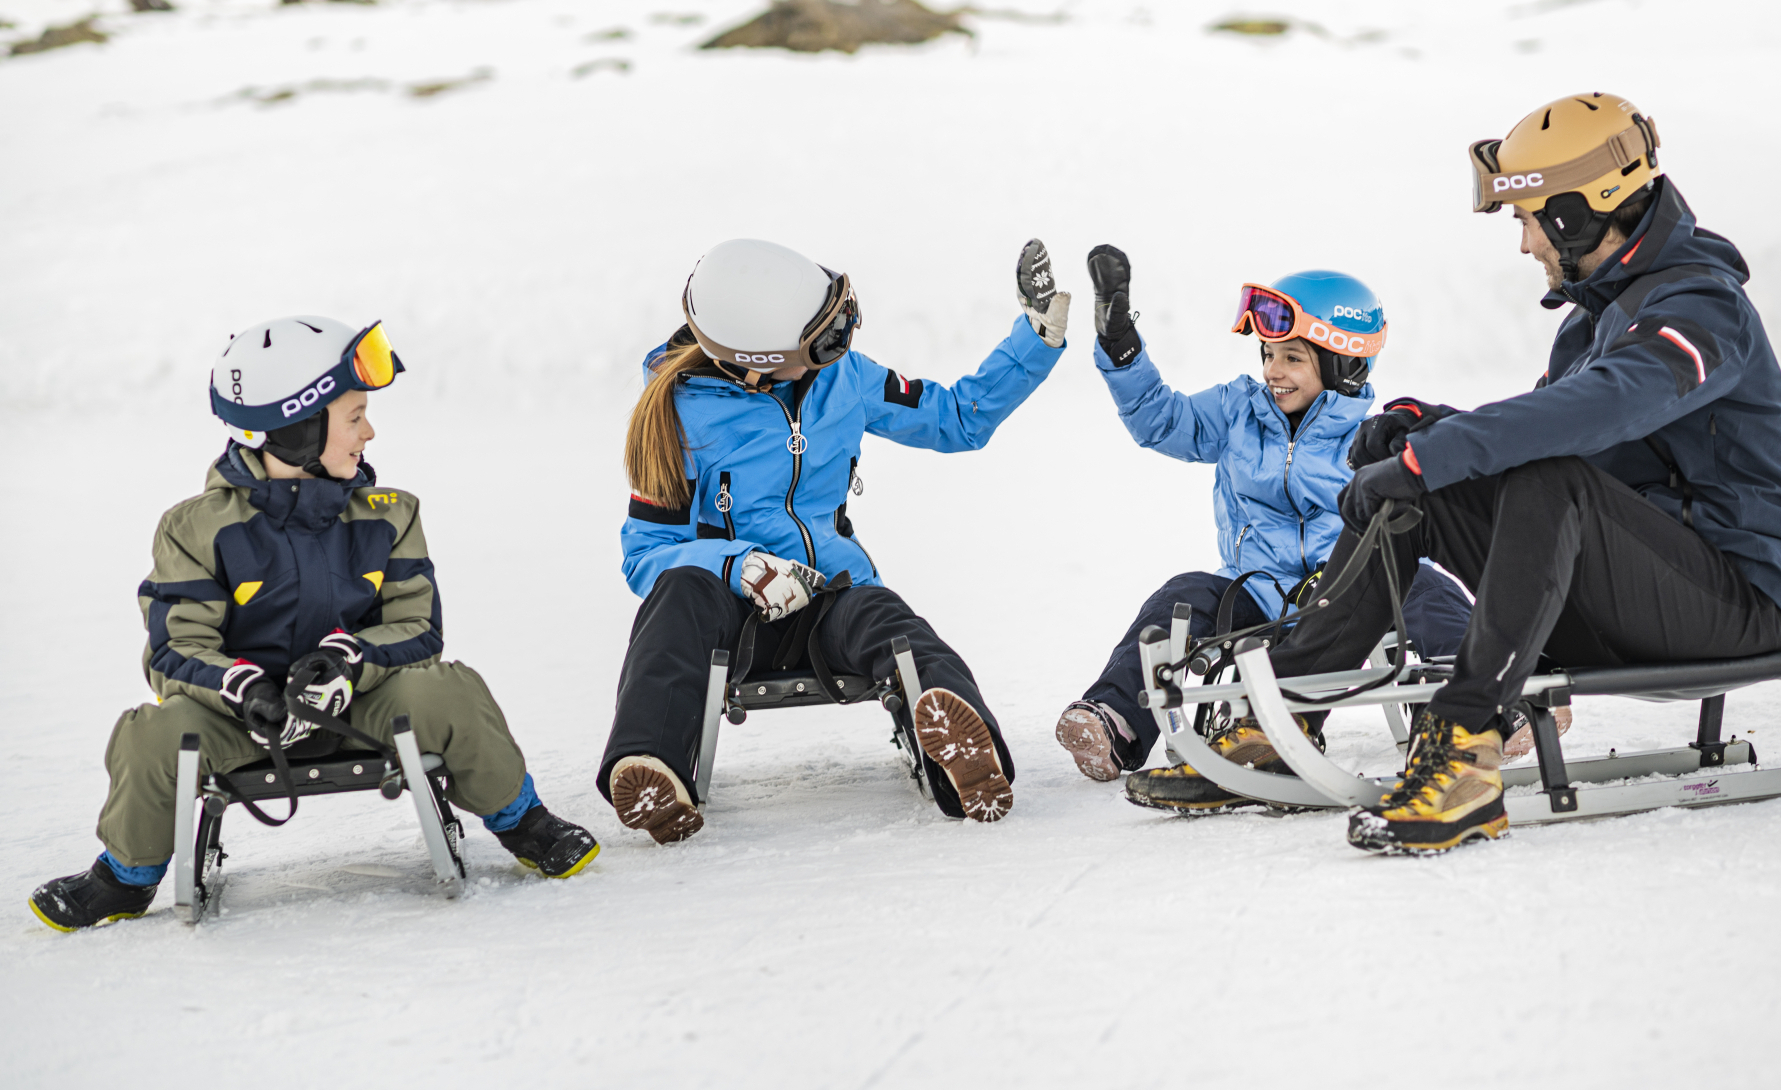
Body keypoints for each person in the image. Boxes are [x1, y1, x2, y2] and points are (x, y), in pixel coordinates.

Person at [1242, 93, 1781, 854]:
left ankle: (1468, 746)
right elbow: (1547, 427)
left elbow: (1596, 413)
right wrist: (1424, 430)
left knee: (1542, 478)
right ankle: (1284, 710)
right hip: (1627, 596)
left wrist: (1430, 455)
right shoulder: (1595, 317)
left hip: (1731, 601)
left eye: (1529, 219)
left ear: (1577, 214)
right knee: (1432, 487)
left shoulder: (1702, 307)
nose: (1525, 245)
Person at [30, 317, 600, 931]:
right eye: (353, 417)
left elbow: (418, 626)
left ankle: (523, 821)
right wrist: (243, 688)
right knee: (151, 732)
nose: (369, 431)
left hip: (362, 707)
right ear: (296, 428)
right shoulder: (194, 527)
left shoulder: (389, 514)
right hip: (243, 724)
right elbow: (175, 647)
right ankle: (123, 876)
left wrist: (349, 661)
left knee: (450, 688)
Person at [600, 238, 1070, 841]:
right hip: (726, 612)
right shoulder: (679, 415)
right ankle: (651, 765)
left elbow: (956, 418)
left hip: (828, 596)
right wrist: (740, 567)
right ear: (756, 360)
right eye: (823, 343)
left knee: (889, 619)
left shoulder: (841, 380)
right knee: (675, 600)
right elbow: (647, 555)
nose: (839, 350)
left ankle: (964, 757)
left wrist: (1037, 337)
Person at [1055, 247, 1476, 813]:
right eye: (1268, 354)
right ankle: (1116, 719)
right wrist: (1120, 345)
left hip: (1349, 587)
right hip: (1254, 586)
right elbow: (1161, 419)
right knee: (1181, 596)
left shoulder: (1375, 437)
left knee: (1424, 586)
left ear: (1342, 364)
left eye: (1293, 358)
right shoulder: (1238, 411)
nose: (1273, 371)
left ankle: (1475, 704)